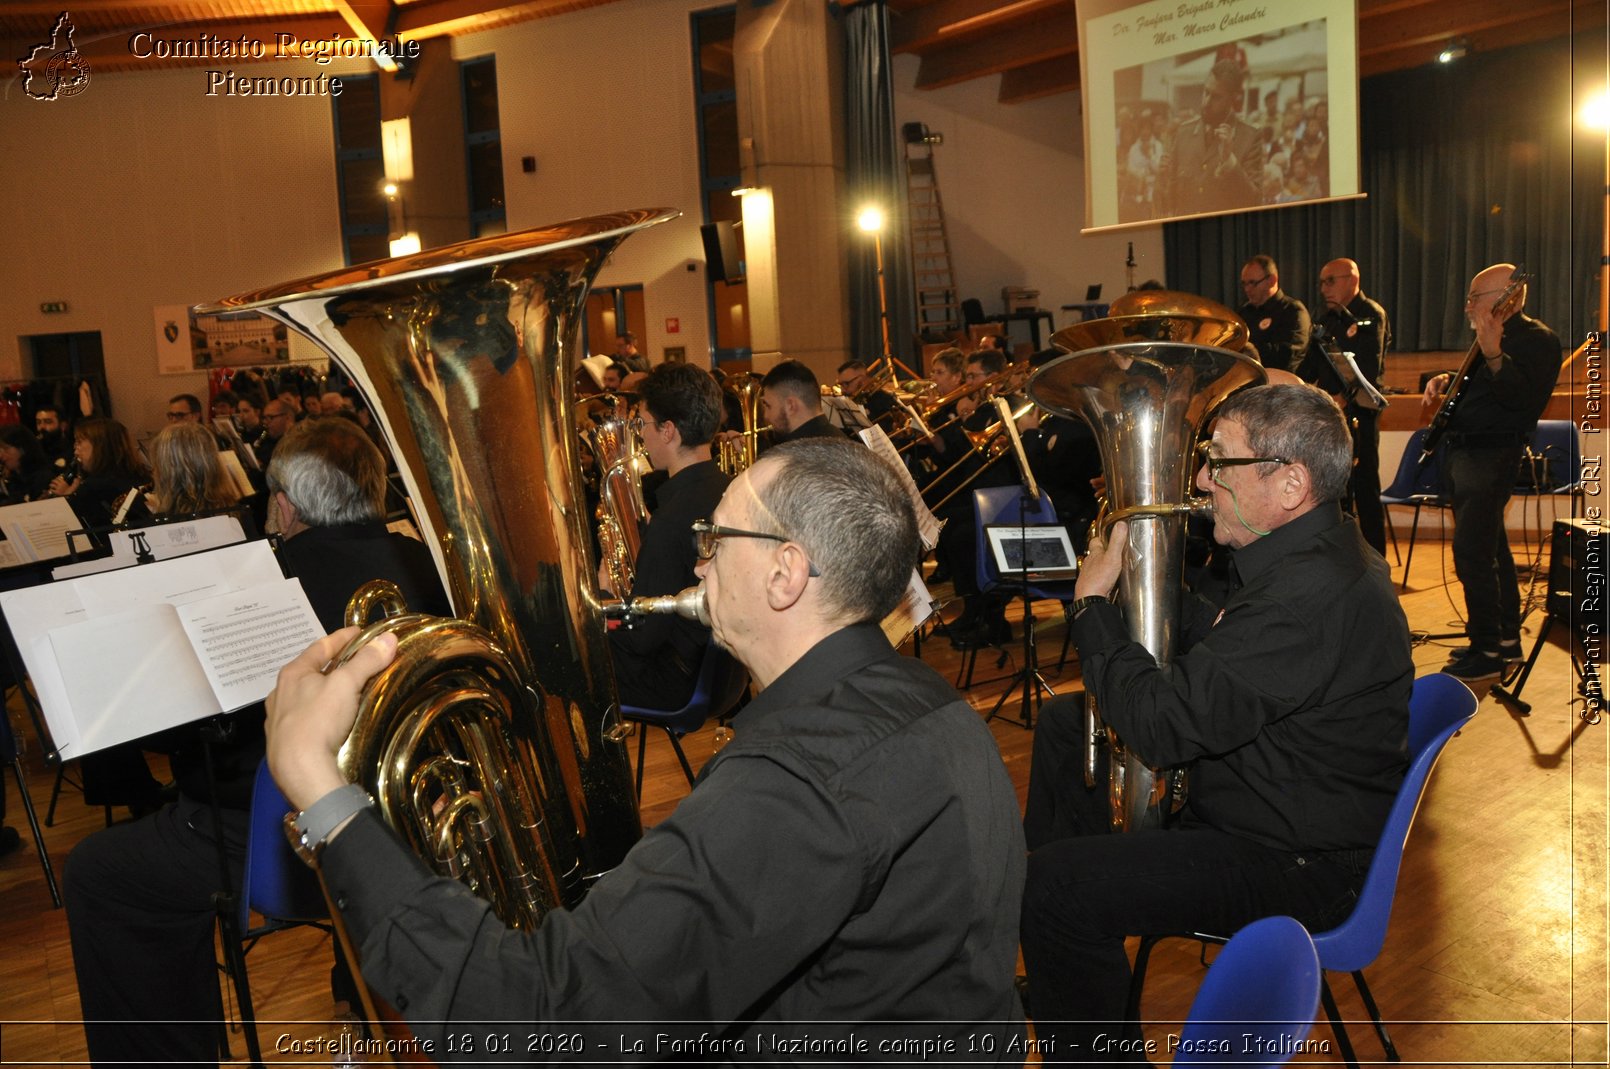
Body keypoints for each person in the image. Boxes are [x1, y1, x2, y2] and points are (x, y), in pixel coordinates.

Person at [265, 437, 1026, 1051]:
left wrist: (321, 790)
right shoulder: (935, 705)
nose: (698, 561)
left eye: (715, 536)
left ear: (786, 572)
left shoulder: (795, 782)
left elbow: (530, 1017)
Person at [1019, 383, 1412, 1061]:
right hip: (1284, 804)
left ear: (1289, 483)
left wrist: (1092, 608)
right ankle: (1075, 975)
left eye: (1219, 461)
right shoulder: (1308, 557)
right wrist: (1156, 582)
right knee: (1063, 724)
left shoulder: (1307, 597)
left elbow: (1162, 727)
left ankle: (1073, 972)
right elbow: (1237, 646)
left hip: (1297, 861)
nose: (1200, 478)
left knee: (1053, 888)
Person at [65, 417, 450, 1069]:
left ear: (286, 504)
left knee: (99, 871)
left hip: (286, 844)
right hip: (417, 823)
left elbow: (205, 745)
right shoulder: (422, 561)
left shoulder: (265, 580)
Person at [1423, 263, 1563, 680]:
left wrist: (1493, 352)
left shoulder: (1538, 340)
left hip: (1492, 457)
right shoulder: (1488, 341)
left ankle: (1486, 650)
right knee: (1492, 551)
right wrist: (1447, 379)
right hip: (1465, 456)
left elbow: (1521, 400)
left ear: (1508, 298)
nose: (1468, 305)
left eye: (1475, 297)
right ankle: (1503, 641)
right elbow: (1483, 391)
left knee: (1472, 555)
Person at [599, 363, 730, 709]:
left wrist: (605, 596)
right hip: (725, 674)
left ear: (668, 430)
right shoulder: (731, 490)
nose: (640, 434)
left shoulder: (671, 521)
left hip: (676, 681)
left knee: (566, 657)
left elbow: (642, 639)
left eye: (642, 423)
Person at [1300, 257, 1391, 555]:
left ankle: (1376, 561)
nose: (1324, 288)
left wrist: (1340, 401)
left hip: (1359, 417)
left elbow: (1368, 368)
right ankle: (1337, 558)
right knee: (1330, 492)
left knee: (1365, 491)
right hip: (1327, 420)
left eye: (1331, 281)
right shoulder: (1324, 320)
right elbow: (1309, 367)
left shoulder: (1370, 315)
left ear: (1352, 280)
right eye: (1322, 282)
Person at [1157, 60, 1264, 218]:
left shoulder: (1250, 137)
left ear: (1233, 99)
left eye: (1216, 97)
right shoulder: (1183, 133)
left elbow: (1254, 202)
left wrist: (1230, 162)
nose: (1206, 102)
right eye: (1206, 92)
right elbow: (1168, 204)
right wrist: (1161, 180)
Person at [47, 417, 150, 529]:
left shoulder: (94, 486)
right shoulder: (142, 474)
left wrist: (68, 497)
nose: (75, 448)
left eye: (79, 441)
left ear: (99, 446)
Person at [147, 421, 242, 518]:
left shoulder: (169, 519)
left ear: (169, 470)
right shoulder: (231, 508)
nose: (153, 471)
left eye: (158, 464)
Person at [1238, 254, 1311, 373]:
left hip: (1281, 385)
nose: (1247, 289)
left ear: (1272, 280)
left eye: (1252, 283)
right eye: (1244, 284)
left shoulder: (1292, 310)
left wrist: (1248, 349)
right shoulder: (1243, 313)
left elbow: (1287, 356)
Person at [758, 359, 845, 446]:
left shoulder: (795, 453)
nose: (766, 416)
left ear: (790, 406)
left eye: (768, 406)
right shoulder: (840, 438)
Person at [0, 426, 55, 504]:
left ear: (22, 449)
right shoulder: (11, 479)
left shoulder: (42, 478)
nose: (1, 455)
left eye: (6, 448)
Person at [836, 359, 897, 427]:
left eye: (846, 384)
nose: (842, 390)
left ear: (862, 379)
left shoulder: (884, 401)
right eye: (840, 385)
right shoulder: (846, 402)